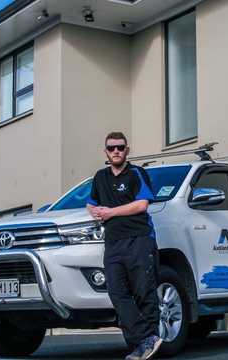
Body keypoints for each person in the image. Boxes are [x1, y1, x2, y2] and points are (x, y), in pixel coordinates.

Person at [86, 132, 162, 360]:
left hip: (139, 239)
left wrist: (110, 212)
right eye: (111, 148)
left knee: (143, 293)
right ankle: (145, 340)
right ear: (106, 152)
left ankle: (145, 347)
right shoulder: (100, 177)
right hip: (113, 243)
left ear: (127, 150)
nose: (116, 151)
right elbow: (91, 203)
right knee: (117, 293)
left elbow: (141, 205)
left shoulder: (137, 173)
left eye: (120, 147)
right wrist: (96, 212)